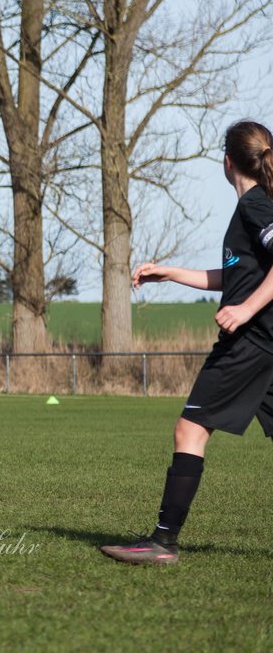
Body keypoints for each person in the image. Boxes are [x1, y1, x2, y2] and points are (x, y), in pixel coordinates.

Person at [101, 120, 273, 565]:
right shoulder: (256, 206)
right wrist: (171, 272)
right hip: (265, 344)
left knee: (190, 429)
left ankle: (161, 543)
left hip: (250, 343)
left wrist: (246, 310)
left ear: (228, 160)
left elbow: (253, 288)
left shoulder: (255, 204)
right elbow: (237, 277)